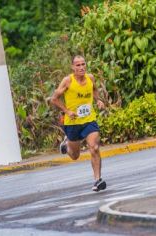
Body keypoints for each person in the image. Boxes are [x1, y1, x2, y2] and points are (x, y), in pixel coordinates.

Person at [51, 55, 106, 192]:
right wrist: (67, 111)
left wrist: (98, 100)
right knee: (75, 156)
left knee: (94, 147)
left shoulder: (90, 78)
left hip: (89, 120)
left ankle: (97, 180)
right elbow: (54, 99)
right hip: (73, 123)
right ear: (72, 67)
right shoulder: (68, 81)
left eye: (83, 64)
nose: (81, 67)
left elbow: (94, 89)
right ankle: (66, 145)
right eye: (78, 65)